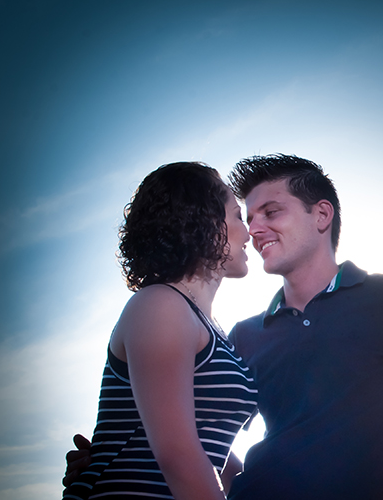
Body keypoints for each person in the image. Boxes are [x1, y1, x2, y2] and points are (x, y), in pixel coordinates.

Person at [67, 154, 383, 500]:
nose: (254, 229)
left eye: (271, 212)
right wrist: (111, 462)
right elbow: (183, 441)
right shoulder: (241, 335)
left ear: (321, 215)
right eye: (245, 216)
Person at [62, 162, 258, 500]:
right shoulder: (160, 305)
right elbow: (178, 456)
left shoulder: (210, 328)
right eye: (238, 216)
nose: (249, 232)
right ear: (207, 223)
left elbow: (213, 450)